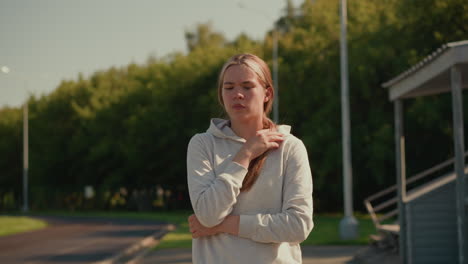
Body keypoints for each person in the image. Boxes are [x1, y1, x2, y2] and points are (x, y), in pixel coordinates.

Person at [186, 53, 313, 264]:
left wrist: (224, 226)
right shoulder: (202, 144)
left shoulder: (290, 147)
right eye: (229, 88)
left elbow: (298, 226)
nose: (237, 94)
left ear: (267, 93)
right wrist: (245, 154)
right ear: (221, 94)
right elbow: (208, 215)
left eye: (247, 86)